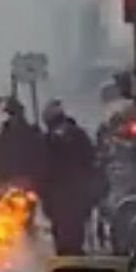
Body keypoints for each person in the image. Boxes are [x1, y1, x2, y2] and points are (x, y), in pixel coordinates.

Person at [41, 101, 100, 256]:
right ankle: (75, 258)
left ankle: (68, 260)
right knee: (76, 232)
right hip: (76, 193)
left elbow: (42, 168)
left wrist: (45, 197)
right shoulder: (78, 134)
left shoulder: (49, 139)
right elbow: (91, 160)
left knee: (63, 237)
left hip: (59, 195)